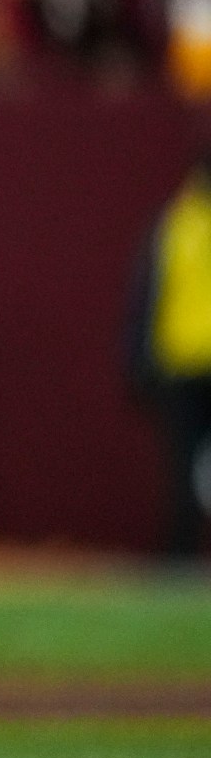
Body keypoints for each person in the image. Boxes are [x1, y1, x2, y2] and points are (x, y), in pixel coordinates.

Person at [127, 151, 211, 559]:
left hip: (180, 362)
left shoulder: (175, 221)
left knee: (184, 470)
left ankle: (179, 558)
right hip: (181, 365)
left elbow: (145, 294)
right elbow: (149, 292)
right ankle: (179, 557)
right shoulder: (175, 223)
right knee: (182, 472)